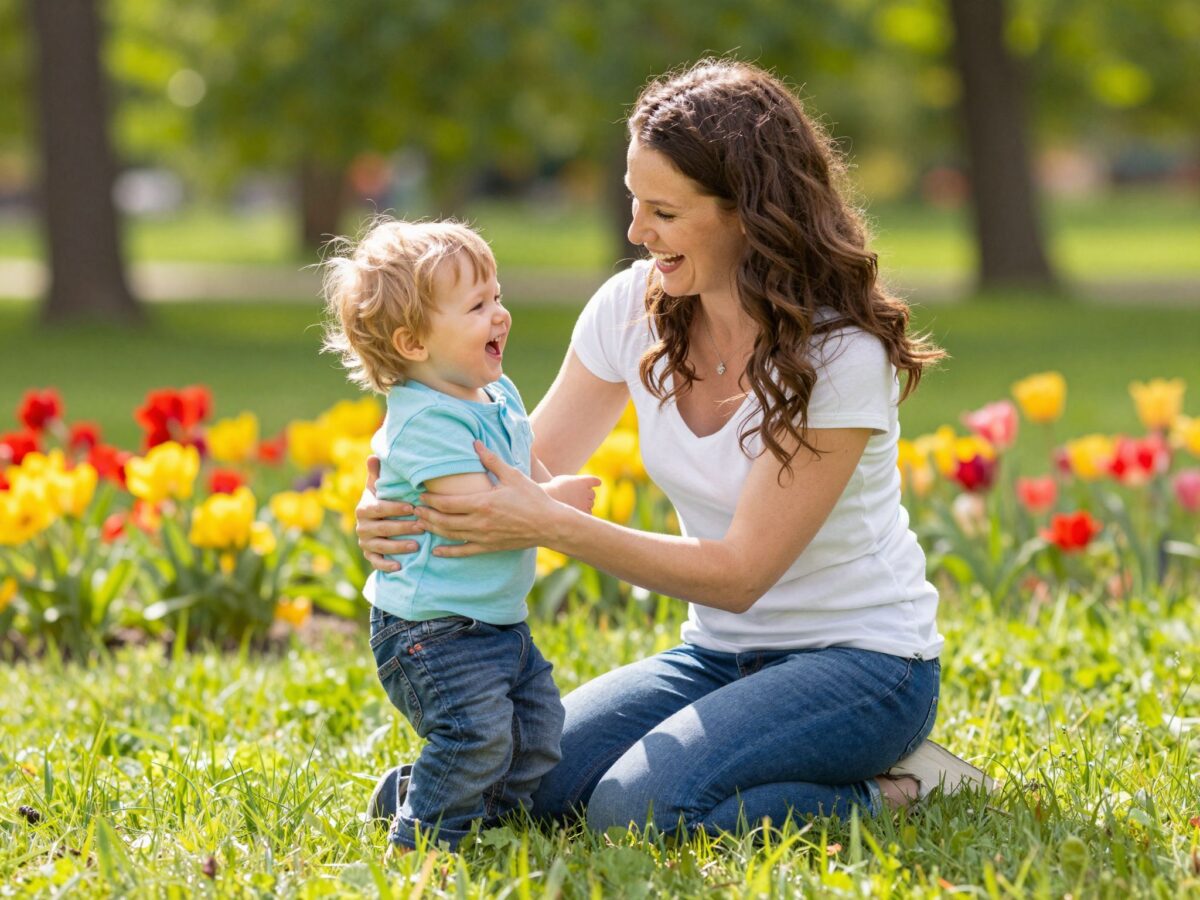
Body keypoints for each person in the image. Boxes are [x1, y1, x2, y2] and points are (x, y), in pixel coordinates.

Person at [355, 60, 993, 838]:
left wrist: (552, 525)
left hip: (864, 666)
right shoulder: (632, 308)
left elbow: (739, 576)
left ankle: (897, 791)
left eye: (662, 209)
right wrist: (408, 497)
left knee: (635, 810)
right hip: (718, 658)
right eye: (633, 199)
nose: (634, 231)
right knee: (525, 783)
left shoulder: (840, 356)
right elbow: (525, 468)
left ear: (748, 213)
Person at [321, 218, 599, 851]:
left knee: (537, 735)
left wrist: (549, 490)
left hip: (496, 623)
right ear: (413, 342)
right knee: (477, 734)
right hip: (431, 631)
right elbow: (478, 514)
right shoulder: (423, 422)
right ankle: (424, 841)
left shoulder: (496, 394)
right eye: (478, 305)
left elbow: (522, 469)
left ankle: (434, 800)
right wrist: (557, 506)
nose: (500, 314)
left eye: (497, 296)